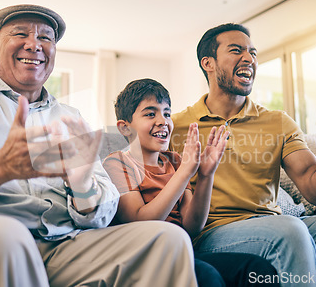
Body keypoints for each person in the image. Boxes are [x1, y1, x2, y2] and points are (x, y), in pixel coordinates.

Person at [0, 4, 199, 287]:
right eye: (20, 33)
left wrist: (81, 185)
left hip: (58, 245)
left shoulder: (70, 118)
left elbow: (105, 210)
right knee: (5, 236)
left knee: (166, 240)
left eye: (45, 37)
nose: (34, 44)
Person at [170, 23, 316, 286]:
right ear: (208, 64)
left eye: (253, 53)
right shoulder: (175, 126)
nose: (249, 58)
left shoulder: (277, 122)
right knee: (289, 230)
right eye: (236, 51)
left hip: (276, 225)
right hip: (213, 234)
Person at [103, 78, 280, 287]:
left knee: (257, 269)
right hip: (146, 257)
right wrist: (185, 173)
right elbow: (140, 222)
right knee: (208, 277)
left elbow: (192, 225)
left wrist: (205, 175)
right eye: (151, 114)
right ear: (125, 128)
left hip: (183, 250)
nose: (163, 120)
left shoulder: (174, 161)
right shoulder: (117, 162)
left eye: (167, 113)